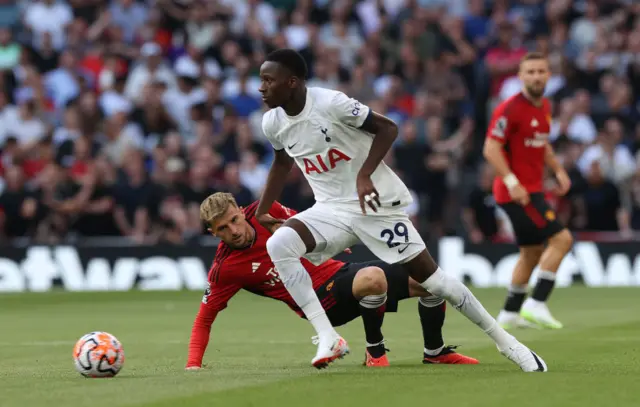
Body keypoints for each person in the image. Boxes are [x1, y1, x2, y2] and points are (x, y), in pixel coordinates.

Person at [255, 48, 546, 372]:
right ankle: (328, 337)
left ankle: (509, 344)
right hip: (330, 209)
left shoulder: (330, 104)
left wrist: (364, 175)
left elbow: (388, 128)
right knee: (278, 244)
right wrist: (262, 211)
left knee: (435, 283)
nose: (261, 87)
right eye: (261, 80)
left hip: (375, 205)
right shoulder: (272, 122)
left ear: (292, 82)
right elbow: (282, 163)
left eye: (269, 80)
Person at [185, 193, 479, 369]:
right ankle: (375, 351)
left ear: (239, 210)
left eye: (234, 220)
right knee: (374, 279)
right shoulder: (225, 269)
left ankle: (435, 352)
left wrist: (328, 239)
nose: (233, 230)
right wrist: (193, 366)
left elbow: (301, 222)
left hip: (340, 272)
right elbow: (203, 319)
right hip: (320, 302)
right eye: (222, 228)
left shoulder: (266, 210)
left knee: (431, 281)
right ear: (213, 233)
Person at [483, 52, 574, 330]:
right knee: (562, 240)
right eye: (530, 72)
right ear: (520, 76)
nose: (536, 76)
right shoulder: (509, 108)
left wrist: (558, 170)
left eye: (541, 71)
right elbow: (491, 148)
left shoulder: (544, 105)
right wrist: (512, 181)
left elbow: (542, 143)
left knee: (531, 252)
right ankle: (537, 303)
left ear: (549, 75)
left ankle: (510, 312)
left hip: (532, 188)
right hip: (517, 192)